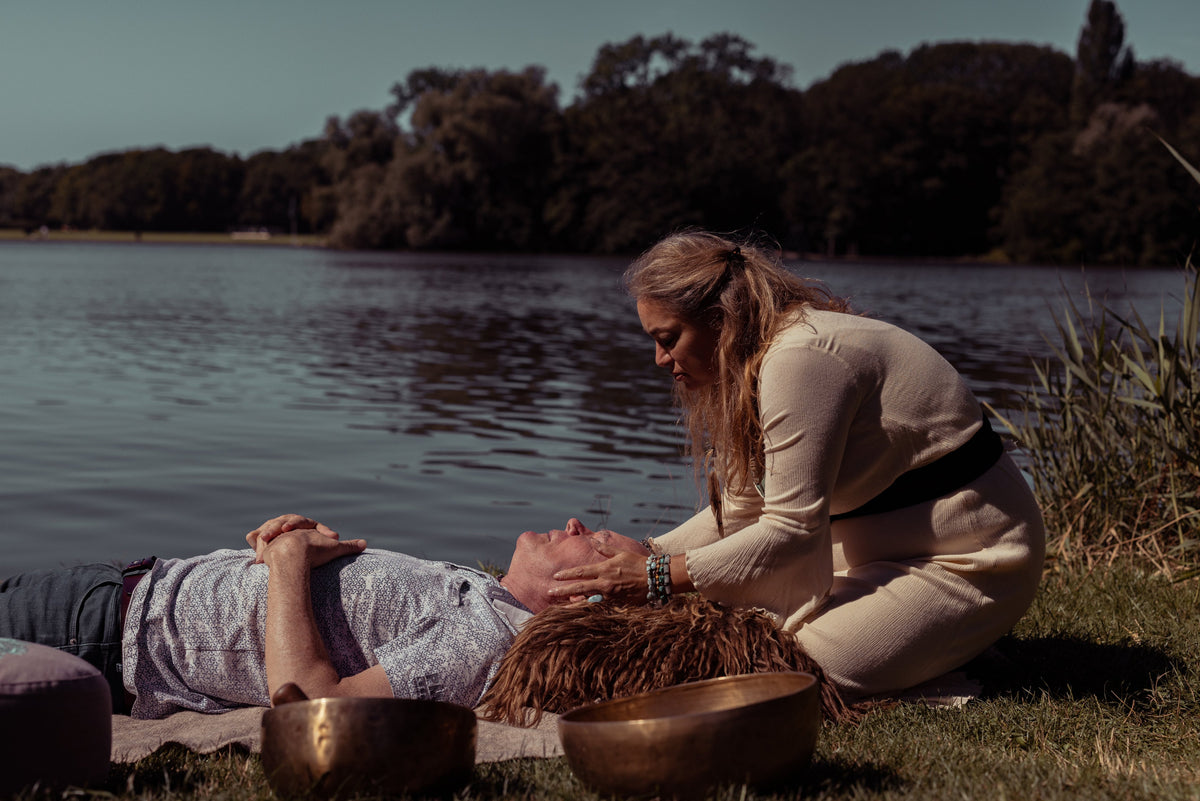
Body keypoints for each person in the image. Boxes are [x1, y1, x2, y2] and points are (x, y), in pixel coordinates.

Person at [549, 230, 1046, 700]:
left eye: (668, 337)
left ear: (720, 320)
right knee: (739, 612)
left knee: (794, 664)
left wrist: (653, 576)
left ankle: (949, 648)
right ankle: (925, 643)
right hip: (875, 549)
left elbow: (788, 530)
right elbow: (745, 509)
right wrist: (645, 554)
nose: (659, 359)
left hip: (971, 560)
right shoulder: (753, 365)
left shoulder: (801, 358)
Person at [0, 515, 648, 718]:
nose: (574, 522)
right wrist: (290, 538)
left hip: (112, 635)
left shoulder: (489, 637)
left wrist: (287, 562)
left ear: (585, 591)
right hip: (125, 590)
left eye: (597, 541)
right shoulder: (486, 596)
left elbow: (311, 705)